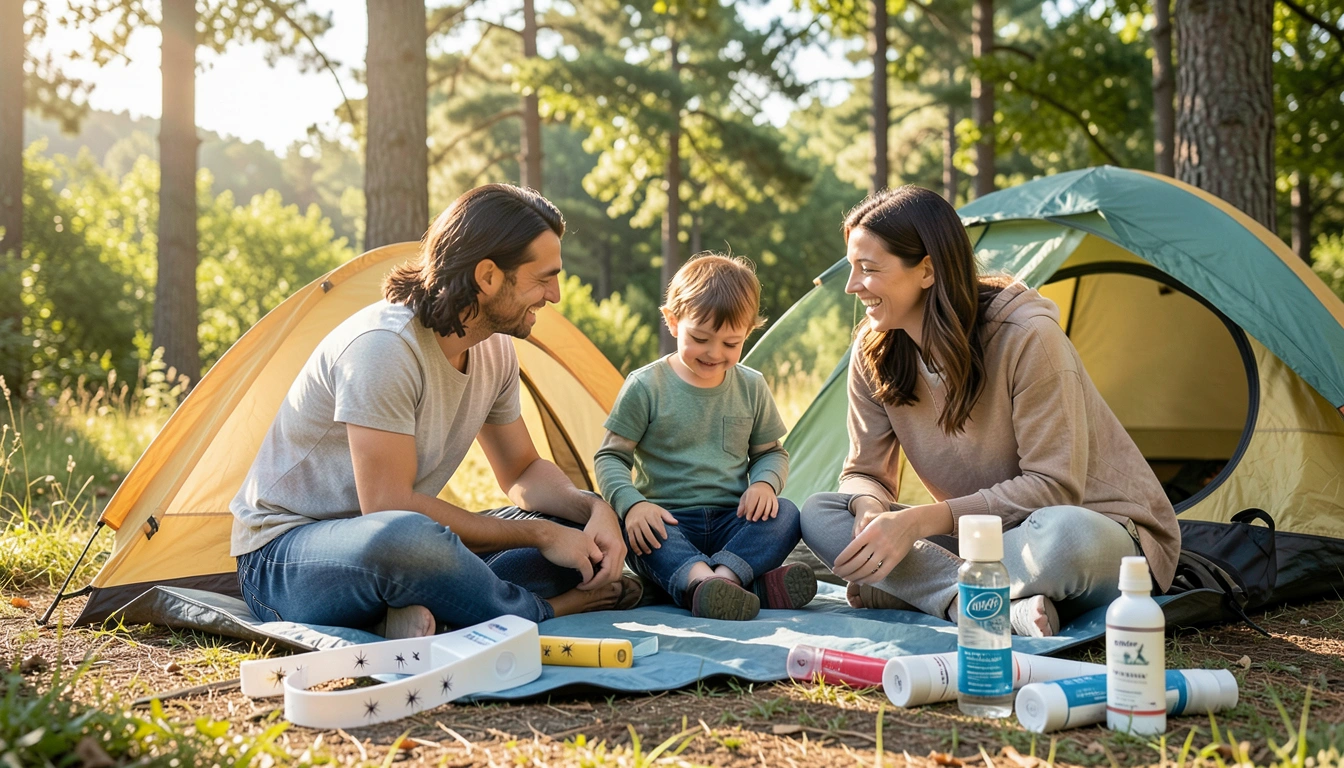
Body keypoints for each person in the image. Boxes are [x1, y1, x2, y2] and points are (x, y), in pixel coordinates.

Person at [230, 184, 638, 640]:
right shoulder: (385, 347)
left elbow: (522, 469)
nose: (555, 294)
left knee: (576, 533)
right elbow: (387, 506)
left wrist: (591, 508)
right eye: (544, 278)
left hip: (404, 545)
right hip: (285, 558)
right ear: (488, 276)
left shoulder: (495, 350)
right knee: (410, 540)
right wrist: (541, 536)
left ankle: (422, 611)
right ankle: (539, 610)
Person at [800, 186, 1180, 636]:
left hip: (1097, 534)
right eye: (851, 268)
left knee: (1063, 537)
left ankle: (918, 589)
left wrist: (920, 522)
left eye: (868, 269)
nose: (852, 286)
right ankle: (975, 602)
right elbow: (863, 472)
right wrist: (868, 507)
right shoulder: (874, 350)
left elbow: (1054, 488)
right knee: (821, 513)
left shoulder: (1027, 336)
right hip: (982, 541)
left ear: (927, 270)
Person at [594, 254, 817, 621]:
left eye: (731, 343)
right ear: (672, 321)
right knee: (633, 531)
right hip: (668, 522)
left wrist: (764, 484)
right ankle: (725, 584)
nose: (715, 353)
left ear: (748, 333)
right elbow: (611, 457)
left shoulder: (751, 386)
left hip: (733, 520)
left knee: (787, 514)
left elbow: (770, 453)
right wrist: (633, 505)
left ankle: (718, 583)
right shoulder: (645, 386)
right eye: (700, 339)